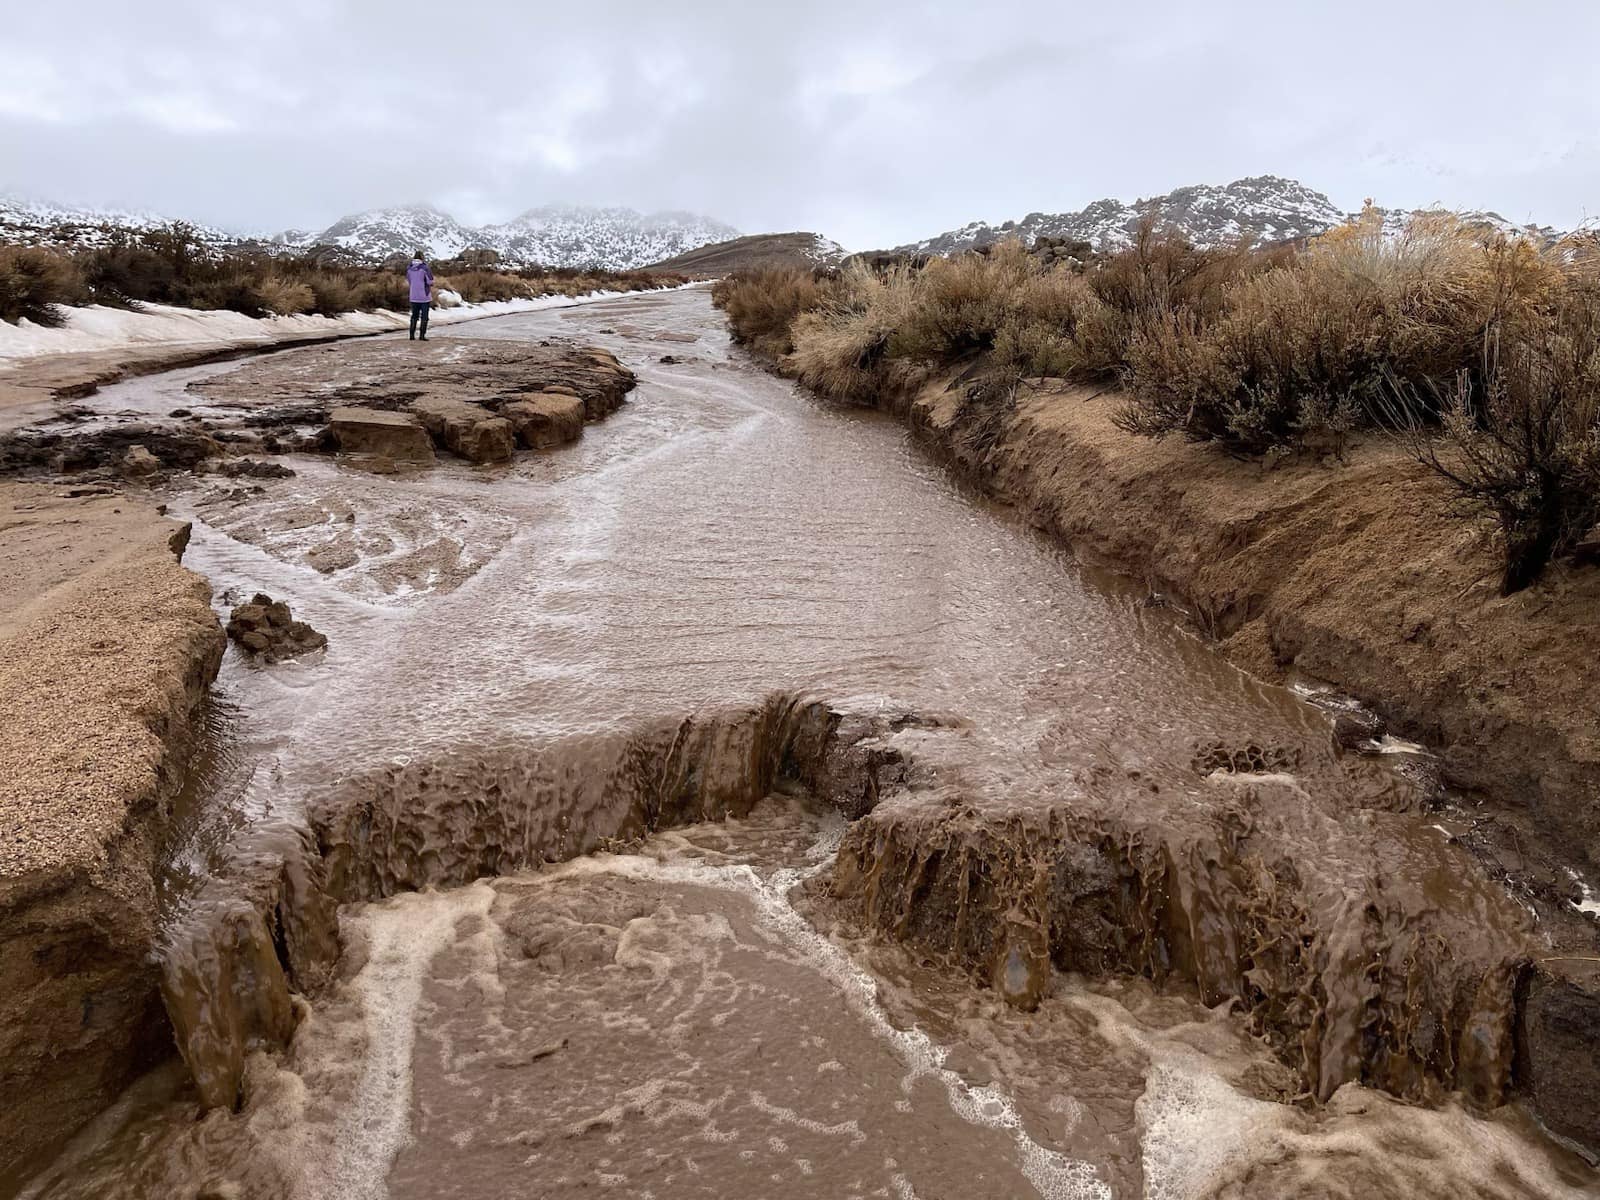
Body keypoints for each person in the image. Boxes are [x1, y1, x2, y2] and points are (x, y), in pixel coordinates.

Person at [406, 251, 434, 340]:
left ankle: (411, 335)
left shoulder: (409, 268)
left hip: (413, 295)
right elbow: (430, 281)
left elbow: (409, 280)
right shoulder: (425, 268)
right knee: (424, 317)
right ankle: (422, 336)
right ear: (422, 257)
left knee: (414, 316)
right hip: (424, 296)